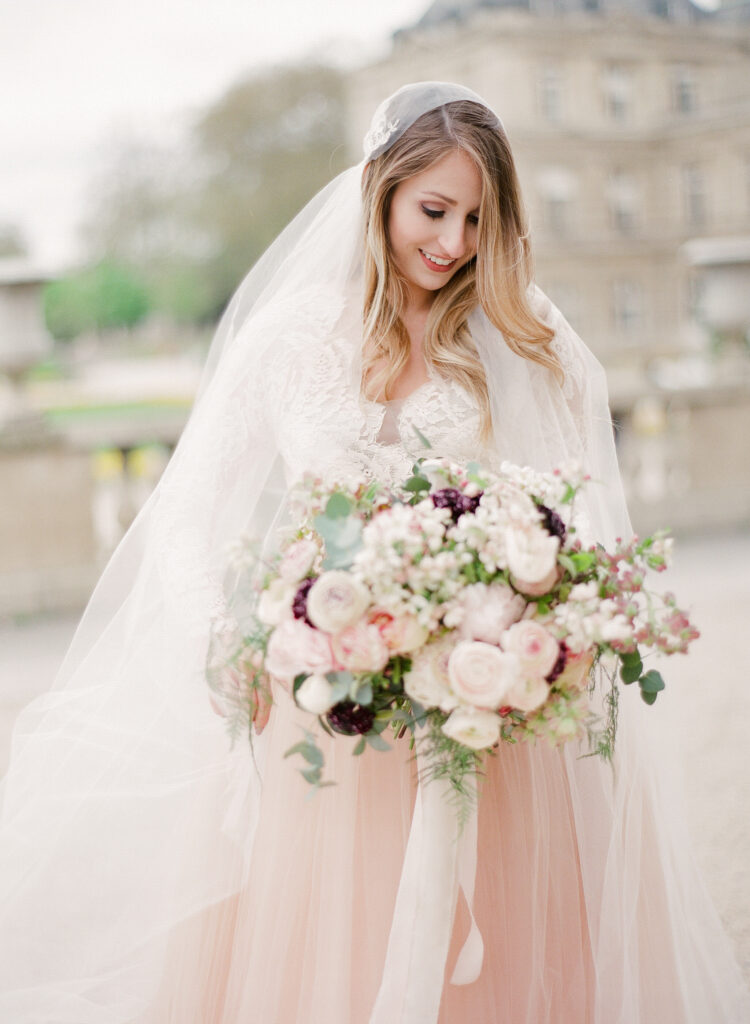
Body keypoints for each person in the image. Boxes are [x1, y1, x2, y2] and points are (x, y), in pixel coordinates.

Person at [0, 82, 748, 1024]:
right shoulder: (291, 337)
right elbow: (185, 508)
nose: (454, 243)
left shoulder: (523, 331)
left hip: (487, 721)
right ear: (379, 190)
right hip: (324, 712)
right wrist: (224, 643)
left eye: (479, 218)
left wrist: (548, 620)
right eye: (433, 210)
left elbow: (579, 505)